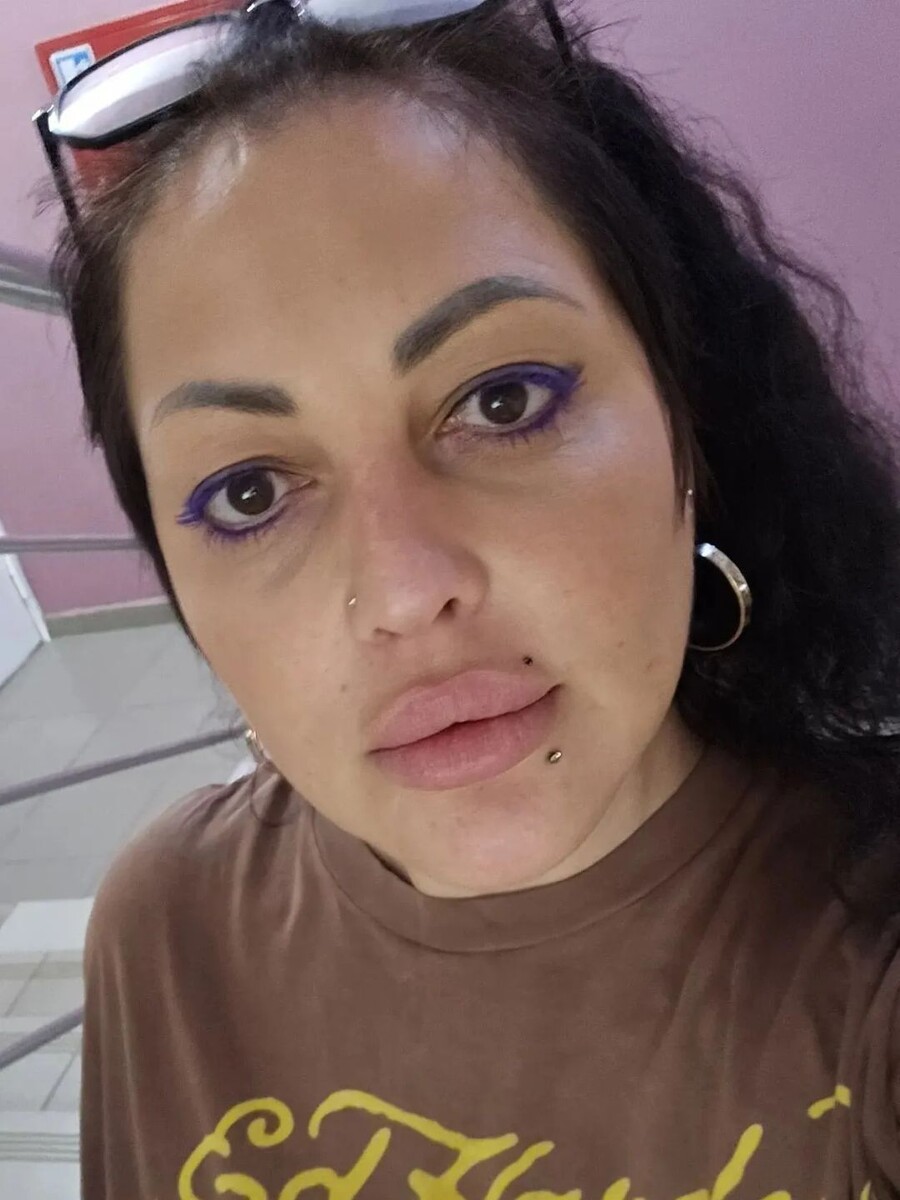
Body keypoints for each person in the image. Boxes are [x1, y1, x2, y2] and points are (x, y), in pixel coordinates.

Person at [37, 0, 900, 1194]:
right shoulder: (168, 933)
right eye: (249, 492)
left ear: (685, 415)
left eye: (504, 402)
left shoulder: (868, 955)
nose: (405, 590)